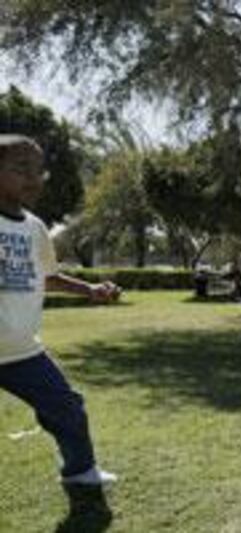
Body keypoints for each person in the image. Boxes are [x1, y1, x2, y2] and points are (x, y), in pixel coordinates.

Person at [0, 134, 119, 487]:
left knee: (66, 407)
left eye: (39, 170)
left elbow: (48, 277)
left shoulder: (36, 228)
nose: (33, 179)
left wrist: (91, 290)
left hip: (21, 351)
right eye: (21, 169)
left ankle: (80, 472)